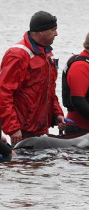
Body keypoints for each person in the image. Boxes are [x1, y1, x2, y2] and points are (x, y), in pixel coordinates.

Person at [0, 11, 65, 145]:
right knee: (22, 165)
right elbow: (4, 93)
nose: (57, 33)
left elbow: (50, 89)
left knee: (41, 164)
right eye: (53, 30)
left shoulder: (47, 54)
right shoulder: (18, 55)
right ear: (41, 32)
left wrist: (57, 114)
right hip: (22, 131)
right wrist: (12, 129)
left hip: (41, 128)